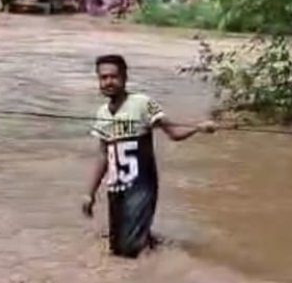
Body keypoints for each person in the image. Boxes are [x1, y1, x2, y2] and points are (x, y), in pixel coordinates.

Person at [83, 54, 215, 258]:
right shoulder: (102, 113)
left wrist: (198, 127)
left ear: (125, 77)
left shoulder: (142, 103)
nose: (108, 82)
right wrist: (89, 194)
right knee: (116, 248)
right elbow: (103, 155)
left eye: (114, 76)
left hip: (141, 186)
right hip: (116, 187)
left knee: (130, 251)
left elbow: (173, 133)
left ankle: (149, 266)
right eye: (103, 78)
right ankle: (153, 244)